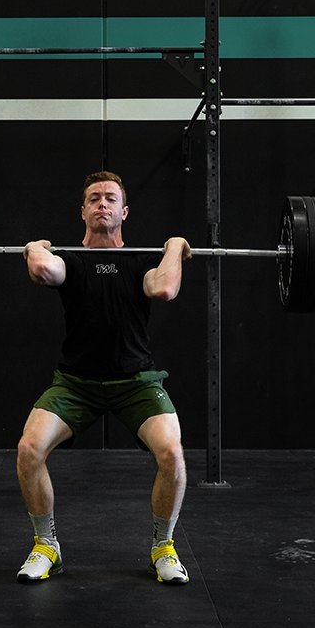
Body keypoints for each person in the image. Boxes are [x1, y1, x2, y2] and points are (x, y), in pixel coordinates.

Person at [16, 171, 193, 585]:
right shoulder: (70, 261)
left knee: (172, 454)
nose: (102, 204)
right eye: (94, 198)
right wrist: (34, 247)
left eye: (111, 199)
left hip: (137, 382)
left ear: (123, 212)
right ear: (83, 211)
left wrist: (173, 245)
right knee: (28, 449)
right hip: (76, 383)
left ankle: (163, 547)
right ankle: (46, 546)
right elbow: (43, 270)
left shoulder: (141, 262)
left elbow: (165, 288)